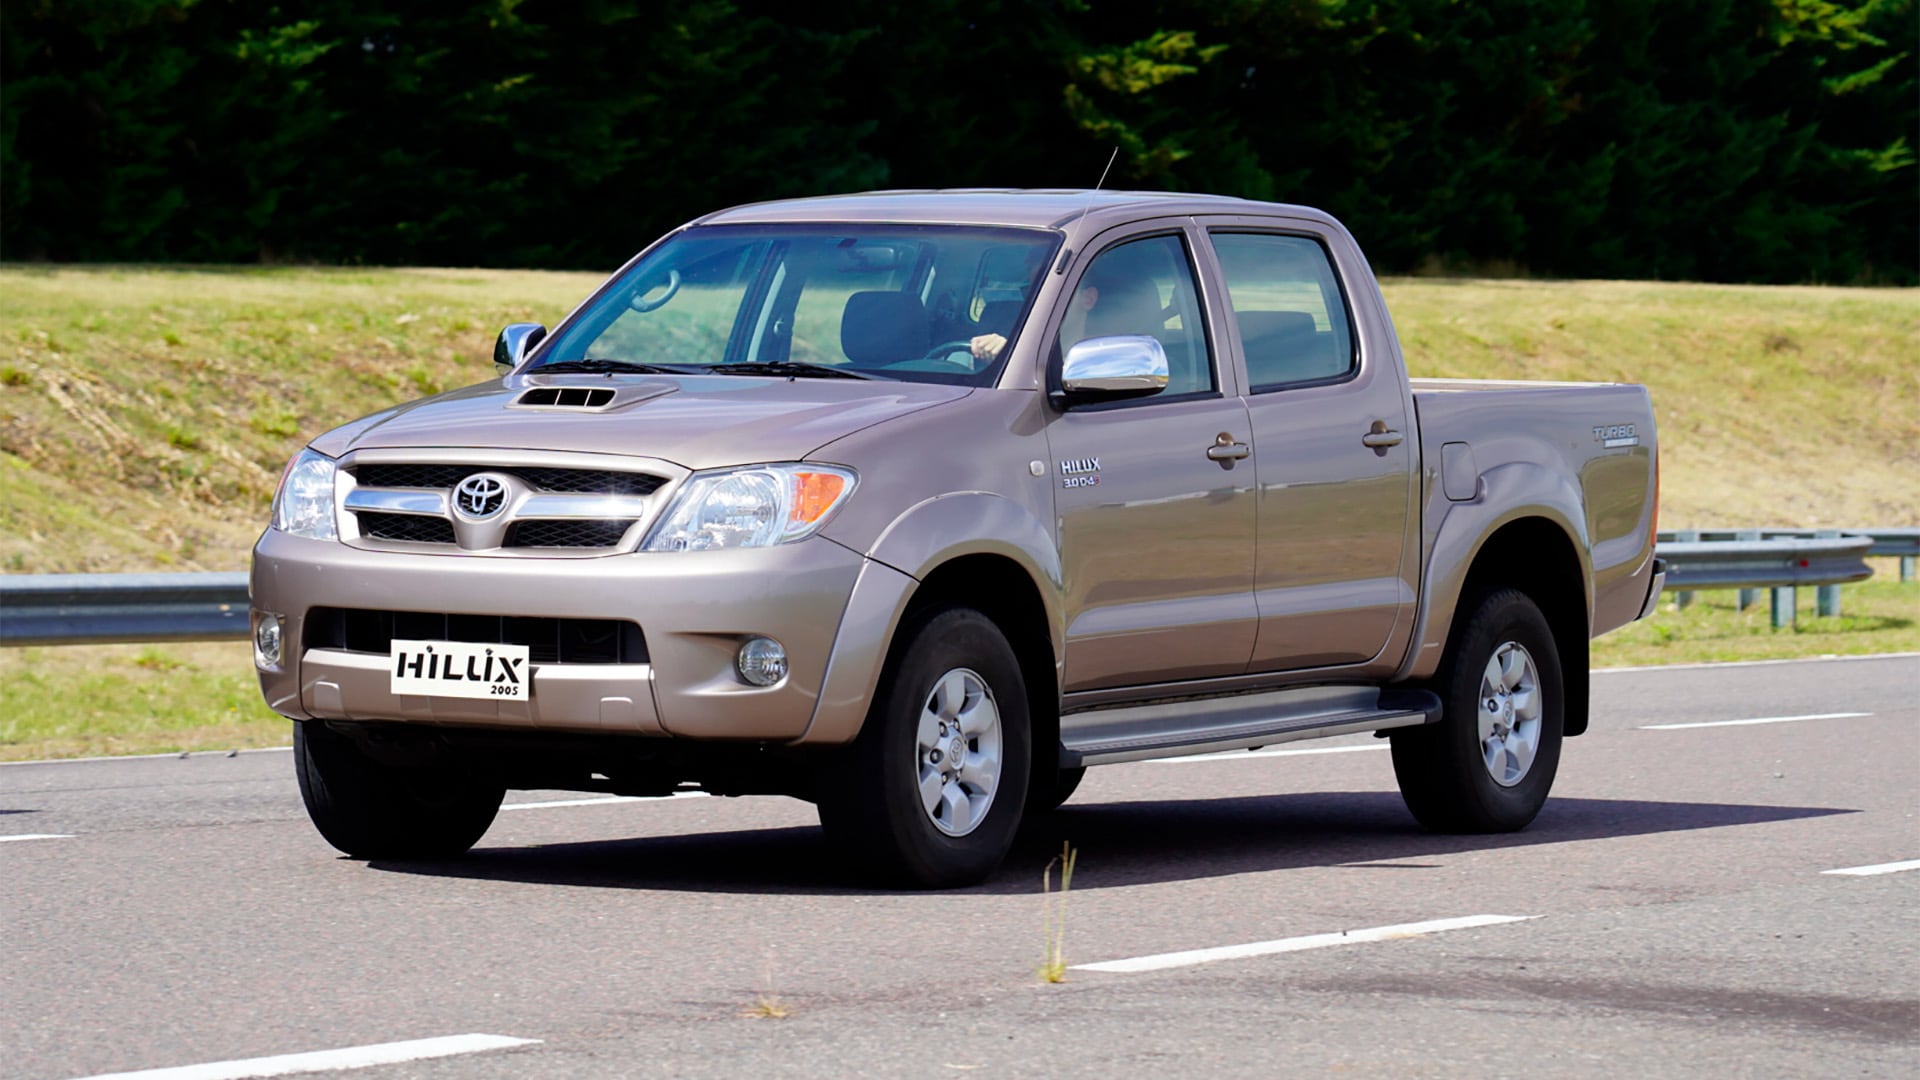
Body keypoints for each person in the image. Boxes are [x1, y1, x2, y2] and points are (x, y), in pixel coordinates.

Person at [967, 255, 1160, 361]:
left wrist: (1012, 357)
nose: (1038, 302)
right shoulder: (997, 345)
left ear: (1088, 299)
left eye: (1054, 293)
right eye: (1029, 292)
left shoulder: (1107, 358)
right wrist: (998, 354)